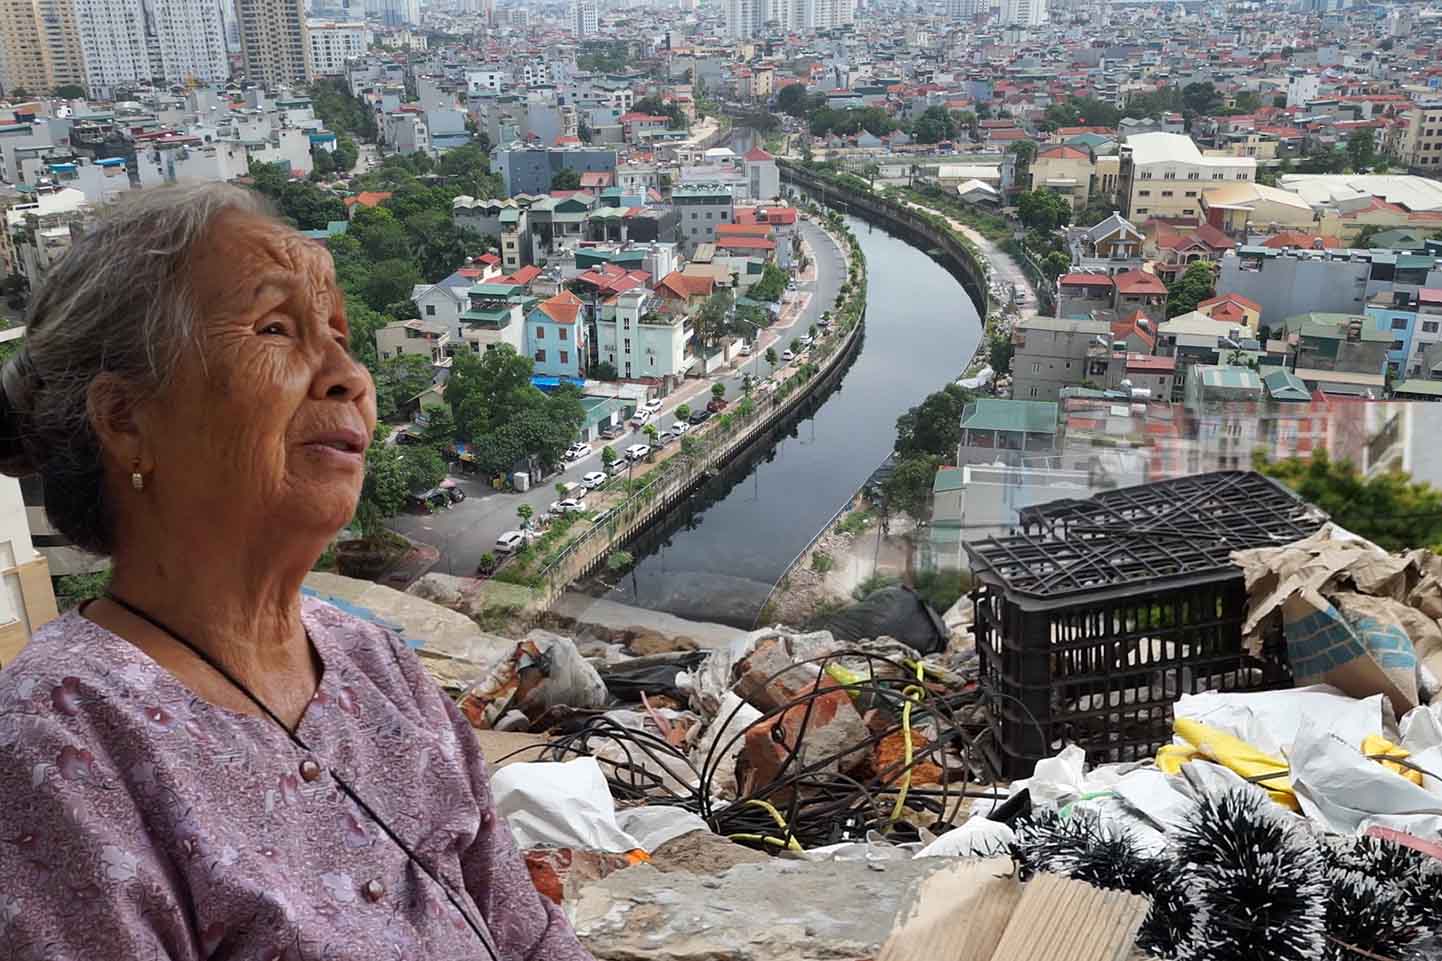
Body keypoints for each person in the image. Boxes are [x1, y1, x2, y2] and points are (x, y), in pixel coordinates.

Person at [0, 183, 593, 960]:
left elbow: (524, 930)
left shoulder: (371, 662)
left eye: (342, 336)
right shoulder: (59, 744)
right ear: (126, 418)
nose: (349, 375)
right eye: (276, 329)